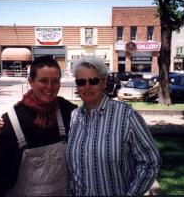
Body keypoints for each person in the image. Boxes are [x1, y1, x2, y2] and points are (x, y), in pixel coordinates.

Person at [66, 56, 161, 196]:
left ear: (104, 82)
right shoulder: (74, 116)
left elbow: (150, 161)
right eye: (81, 82)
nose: (87, 87)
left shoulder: (126, 115)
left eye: (93, 81)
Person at [0, 55, 77, 197]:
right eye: (43, 81)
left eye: (55, 81)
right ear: (31, 82)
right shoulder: (11, 122)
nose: (50, 87)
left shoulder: (66, 111)